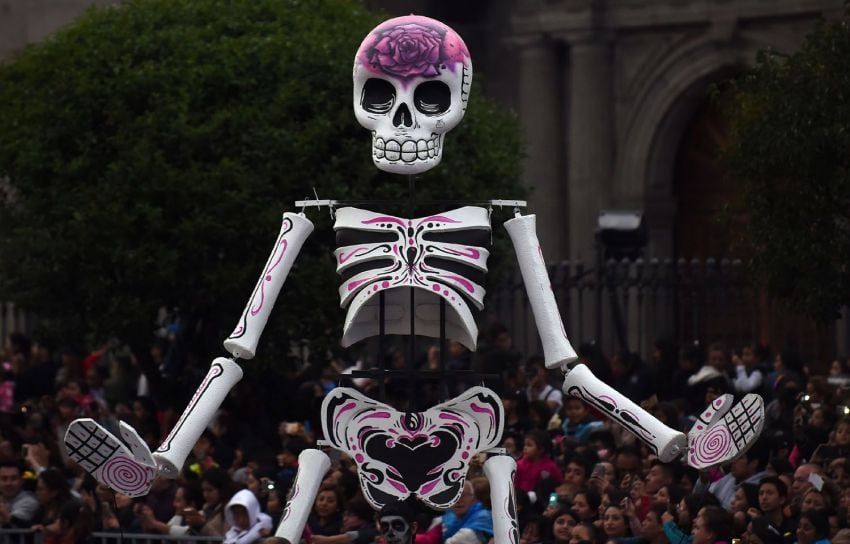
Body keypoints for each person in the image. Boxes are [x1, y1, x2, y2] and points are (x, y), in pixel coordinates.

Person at [0, 461, 39, 527]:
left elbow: (12, 522)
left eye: (13, 478)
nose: (8, 483)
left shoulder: (30, 501)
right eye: (4, 479)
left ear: (21, 481)